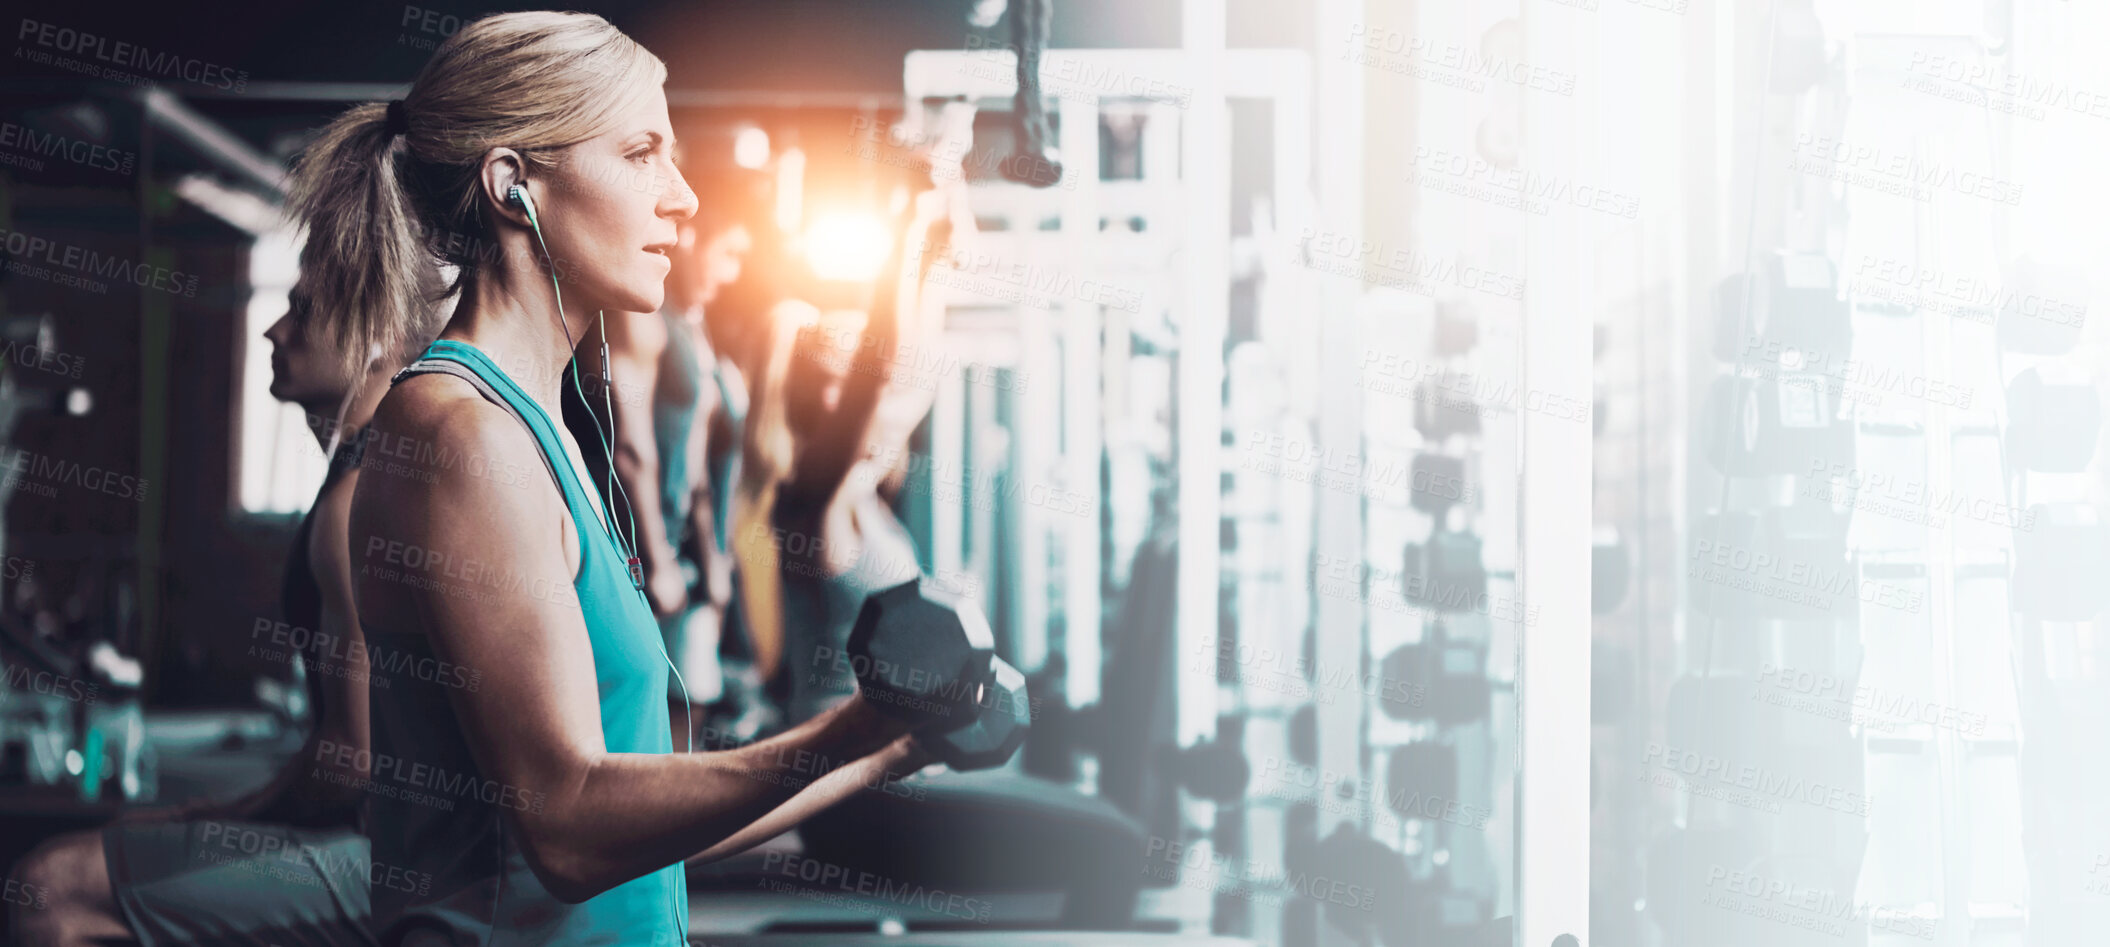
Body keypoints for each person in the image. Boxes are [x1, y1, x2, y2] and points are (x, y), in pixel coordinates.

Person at [295, 12, 932, 945]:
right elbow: (569, 828)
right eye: (642, 154)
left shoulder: (535, 423)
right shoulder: (462, 432)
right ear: (515, 186)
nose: (684, 198)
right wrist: (847, 732)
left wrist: (892, 742)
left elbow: (646, 830)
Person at [7, 241, 447, 946]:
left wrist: (219, 816)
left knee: (47, 889)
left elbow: (351, 759)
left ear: (377, 340)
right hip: (386, 842)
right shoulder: (369, 475)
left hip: (395, 861)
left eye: (302, 312)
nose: (276, 330)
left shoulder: (355, 504)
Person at [564, 173, 756, 739]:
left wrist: (708, 550)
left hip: (678, 539)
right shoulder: (643, 316)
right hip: (635, 541)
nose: (733, 273)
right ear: (690, 238)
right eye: (727, 253)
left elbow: (695, 462)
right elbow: (631, 445)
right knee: (647, 709)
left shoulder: (697, 332)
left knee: (684, 701)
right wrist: (656, 555)